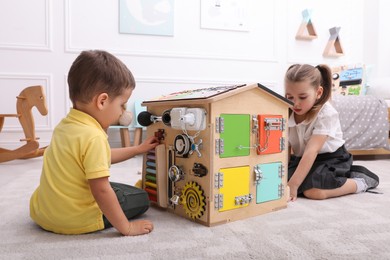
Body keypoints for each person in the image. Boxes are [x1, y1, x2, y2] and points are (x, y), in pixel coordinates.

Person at [30, 50, 159, 236]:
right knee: (140, 197)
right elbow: (101, 191)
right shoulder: (94, 136)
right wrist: (127, 228)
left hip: (44, 213)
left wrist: (139, 149)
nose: (122, 111)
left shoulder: (64, 126)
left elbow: (99, 158)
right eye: (122, 104)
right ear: (102, 101)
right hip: (77, 219)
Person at [285, 64, 379, 202]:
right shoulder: (285, 111)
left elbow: (312, 150)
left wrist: (293, 185)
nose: (295, 104)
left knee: (314, 192)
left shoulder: (326, 113)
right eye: (290, 97)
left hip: (331, 159)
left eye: (302, 97)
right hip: (303, 159)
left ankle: (360, 181)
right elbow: (285, 148)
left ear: (318, 93)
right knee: (281, 182)